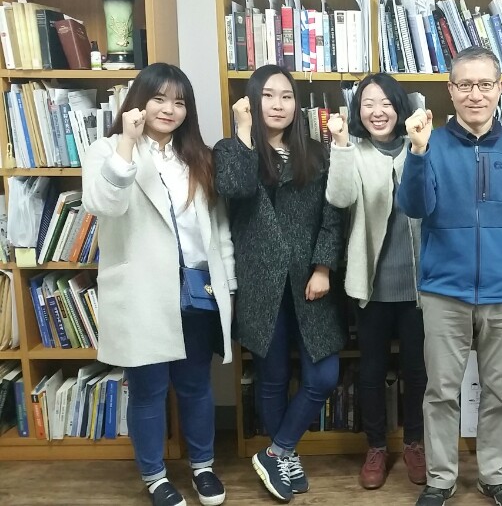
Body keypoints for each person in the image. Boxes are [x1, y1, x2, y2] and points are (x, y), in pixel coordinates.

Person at [396, 46, 502, 506]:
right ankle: (440, 480)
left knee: (501, 392)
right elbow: (414, 207)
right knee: (441, 392)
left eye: (485, 84)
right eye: (465, 85)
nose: (475, 94)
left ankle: (495, 476)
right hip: (444, 291)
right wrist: (417, 152)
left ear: (500, 89)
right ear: (450, 90)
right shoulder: (430, 144)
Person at [82, 63, 234, 506]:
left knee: (196, 385)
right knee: (148, 391)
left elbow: (218, 227)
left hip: (196, 290)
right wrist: (127, 144)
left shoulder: (198, 156)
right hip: (143, 294)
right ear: (138, 102)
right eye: (159, 99)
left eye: (179, 102)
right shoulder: (108, 149)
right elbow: (104, 203)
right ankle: (154, 476)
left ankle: (203, 466)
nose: (170, 109)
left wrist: (229, 281)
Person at [214, 64, 345, 503]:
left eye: (286, 96)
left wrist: (323, 267)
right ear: (252, 101)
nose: (277, 104)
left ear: (296, 104)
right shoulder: (232, 149)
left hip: (310, 282)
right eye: (267, 95)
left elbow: (333, 215)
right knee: (271, 378)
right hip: (260, 284)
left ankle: (277, 451)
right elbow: (235, 188)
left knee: (323, 375)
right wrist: (243, 133)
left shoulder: (316, 153)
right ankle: (284, 456)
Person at [324, 73, 427, 490]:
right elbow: (340, 198)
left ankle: (416, 444)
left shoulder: (420, 146)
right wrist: (341, 145)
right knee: (371, 369)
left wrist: (420, 147)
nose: (378, 111)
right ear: (358, 111)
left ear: (400, 107)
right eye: (368, 103)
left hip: (419, 287)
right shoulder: (355, 151)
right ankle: (377, 447)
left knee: (418, 370)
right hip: (371, 285)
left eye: (386, 102)